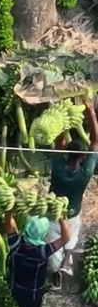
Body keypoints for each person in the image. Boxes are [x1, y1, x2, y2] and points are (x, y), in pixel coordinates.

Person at [48, 99, 98, 255]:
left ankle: (56, 264)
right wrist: (91, 112)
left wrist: (64, 117)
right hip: (72, 213)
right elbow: (95, 141)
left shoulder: (58, 167)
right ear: (83, 158)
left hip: (53, 212)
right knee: (71, 237)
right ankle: (67, 260)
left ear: (67, 153)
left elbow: (60, 141)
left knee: (53, 245)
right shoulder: (85, 172)